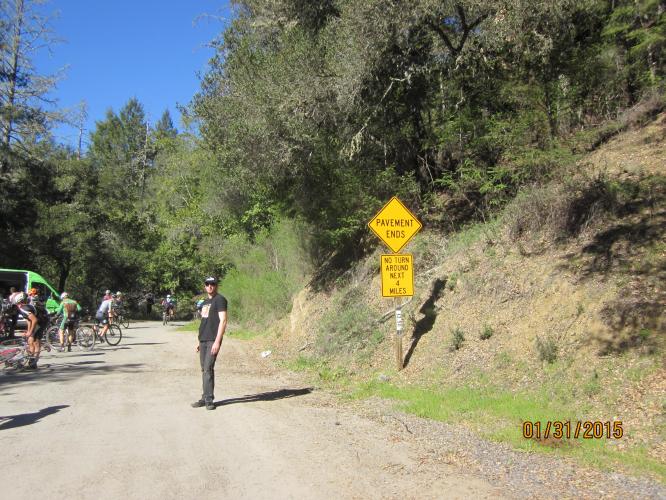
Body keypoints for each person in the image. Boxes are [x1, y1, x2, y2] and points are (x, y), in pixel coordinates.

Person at [191, 276, 227, 410]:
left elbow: (223, 321)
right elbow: (204, 322)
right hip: (204, 339)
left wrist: (217, 341)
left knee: (208, 368)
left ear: (216, 285)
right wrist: (199, 341)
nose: (210, 286)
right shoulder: (205, 302)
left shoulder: (220, 300)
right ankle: (204, 396)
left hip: (213, 339)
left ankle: (209, 399)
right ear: (205, 286)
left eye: (212, 284)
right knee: (204, 369)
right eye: (207, 284)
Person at [12, 292, 48, 368]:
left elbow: (34, 320)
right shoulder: (22, 308)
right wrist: (28, 332)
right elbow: (29, 321)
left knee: (36, 342)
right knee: (30, 341)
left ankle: (34, 362)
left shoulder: (24, 308)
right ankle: (31, 360)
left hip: (42, 322)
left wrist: (30, 332)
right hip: (38, 321)